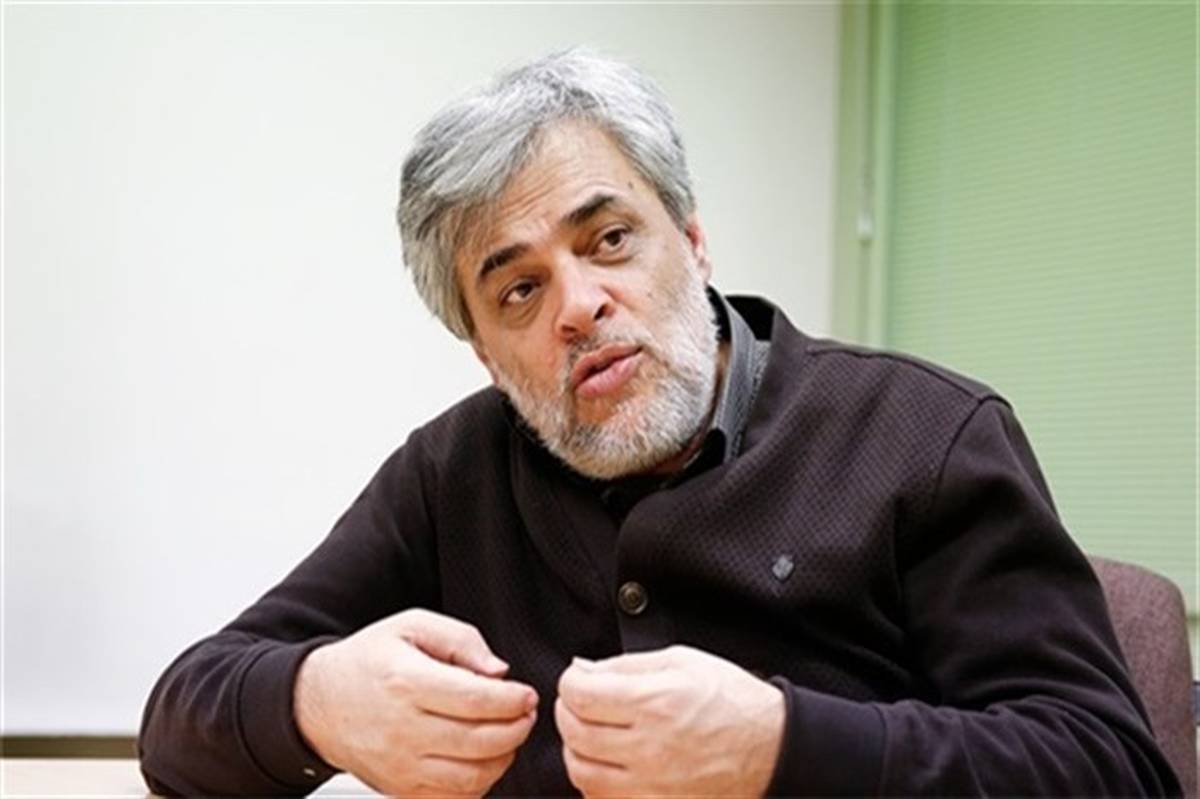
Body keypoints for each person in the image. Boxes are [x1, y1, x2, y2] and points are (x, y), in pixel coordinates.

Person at [137, 49, 1179, 797]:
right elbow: (180, 718)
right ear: (486, 354)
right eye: (518, 290)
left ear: (692, 239)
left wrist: (782, 747)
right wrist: (316, 700)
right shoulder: (451, 473)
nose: (578, 305)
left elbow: (1109, 766)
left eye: (609, 239)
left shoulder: (924, 436)